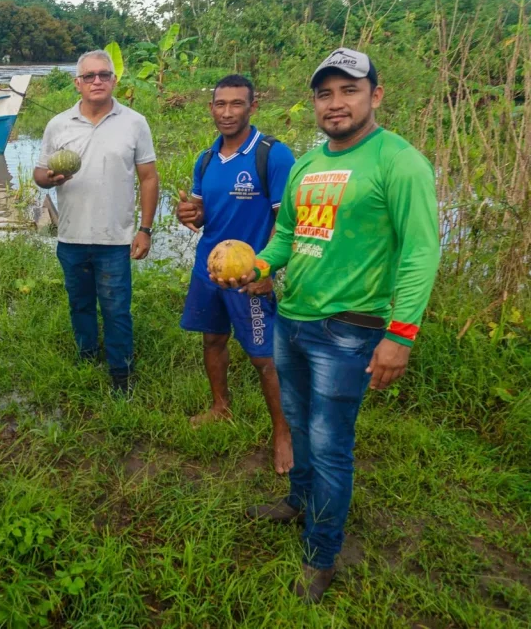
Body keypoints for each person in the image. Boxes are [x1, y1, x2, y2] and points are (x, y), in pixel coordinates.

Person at [216, 48, 440, 602]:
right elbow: (289, 235)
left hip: (352, 329)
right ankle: (297, 501)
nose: (336, 103)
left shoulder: (398, 161)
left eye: (349, 91)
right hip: (293, 320)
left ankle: (321, 554)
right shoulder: (310, 165)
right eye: (325, 93)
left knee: (331, 442)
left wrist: (400, 335)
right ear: (315, 102)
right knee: (296, 420)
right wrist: (260, 265)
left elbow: (420, 253)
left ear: (376, 96)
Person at [176, 74, 296, 474]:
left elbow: (288, 224)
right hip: (209, 268)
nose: (227, 112)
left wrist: (269, 272)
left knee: (264, 357)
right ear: (211, 108)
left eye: (236, 104)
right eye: (220, 104)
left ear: (252, 106)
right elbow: (201, 211)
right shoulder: (206, 158)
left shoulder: (273, 156)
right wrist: (188, 214)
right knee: (212, 340)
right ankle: (220, 407)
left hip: (250, 276)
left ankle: (283, 432)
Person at [33, 50, 160, 393]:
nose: (97, 81)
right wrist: (50, 179)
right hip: (72, 236)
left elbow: (149, 178)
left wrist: (144, 230)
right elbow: (39, 173)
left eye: (104, 74)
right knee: (80, 304)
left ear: (114, 80)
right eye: (89, 76)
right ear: (78, 83)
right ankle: (87, 357)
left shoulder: (134, 122)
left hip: (116, 238)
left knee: (117, 309)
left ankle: (121, 372)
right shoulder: (58, 124)